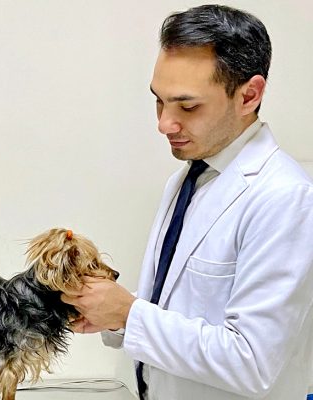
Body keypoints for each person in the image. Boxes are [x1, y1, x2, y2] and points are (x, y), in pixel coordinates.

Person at [62, 4, 313, 400]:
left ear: (249, 95)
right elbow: (181, 311)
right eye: (159, 101)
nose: (164, 124)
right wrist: (114, 317)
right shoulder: (190, 177)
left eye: (188, 106)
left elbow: (252, 361)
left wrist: (128, 313)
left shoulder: (285, 198)